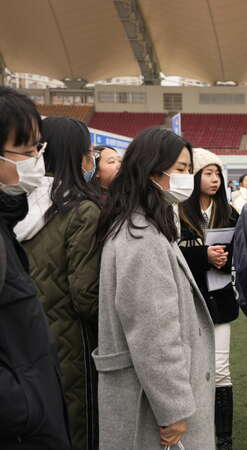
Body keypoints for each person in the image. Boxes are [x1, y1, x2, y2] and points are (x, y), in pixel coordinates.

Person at [93, 128, 215, 449]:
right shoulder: (141, 236)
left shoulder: (143, 223)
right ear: (151, 170)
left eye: (189, 169)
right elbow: (154, 332)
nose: (188, 177)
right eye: (181, 169)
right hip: (150, 404)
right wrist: (174, 409)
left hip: (147, 393)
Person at [15, 116, 101, 450]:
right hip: (72, 348)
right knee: (77, 431)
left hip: (23, 341)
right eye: (88, 152)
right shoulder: (81, 211)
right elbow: (86, 296)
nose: (92, 160)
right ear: (74, 155)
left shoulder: (16, 203)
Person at [0, 86, 71, 449]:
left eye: (37, 150)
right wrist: (24, 406)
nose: (36, 162)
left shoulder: (7, 222)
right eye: (26, 152)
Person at [177, 148, 240, 450]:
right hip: (188, 301)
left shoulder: (229, 212)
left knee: (221, 370)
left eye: (218, 174)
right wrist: (204, 255)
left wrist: (224, 259)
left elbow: (241, 251)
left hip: (220, 301)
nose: (215, 179)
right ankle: (191, 431)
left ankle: (223, 440)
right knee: (188, 369)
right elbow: (171, 256)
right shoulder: (176, 211)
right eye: (208, 173)